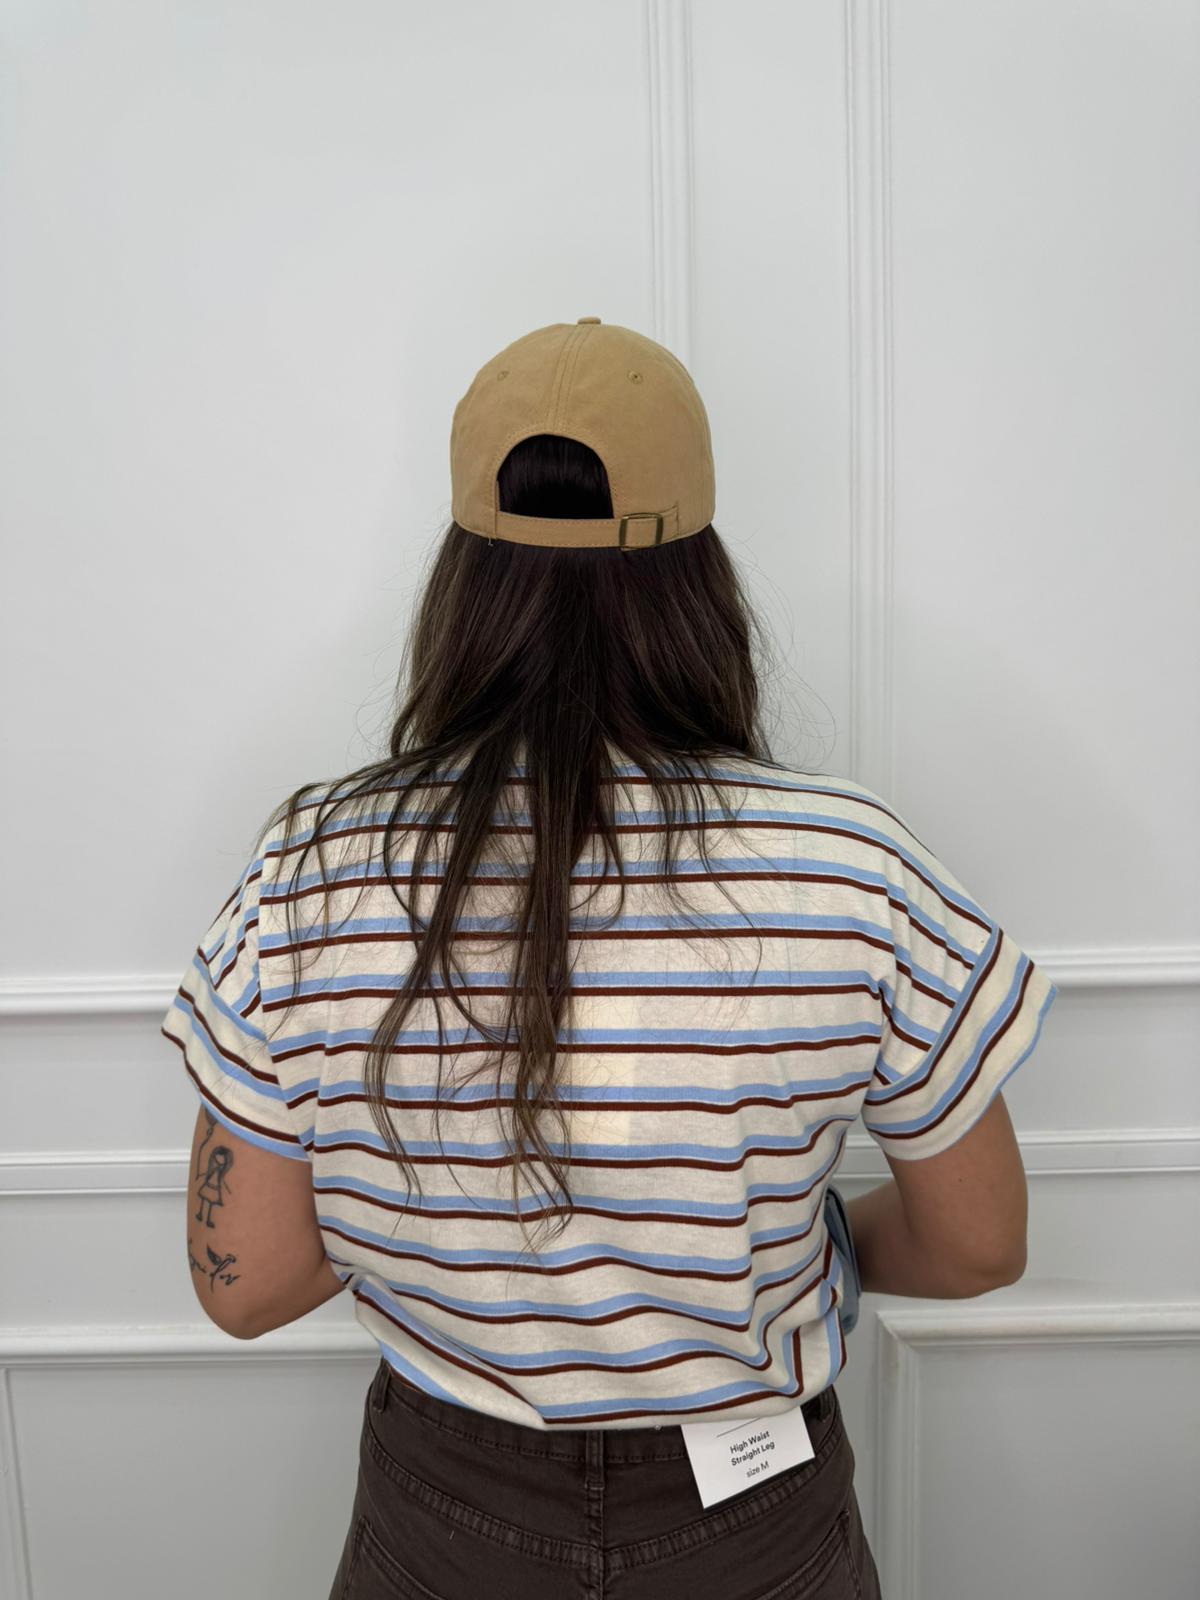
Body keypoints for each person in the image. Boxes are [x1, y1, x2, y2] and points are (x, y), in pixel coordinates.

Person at [163, 318, 1058, 1599]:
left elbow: (243, 1282)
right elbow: (978, 1244)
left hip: (445, 1513)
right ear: (699, 574)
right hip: (753, 1513)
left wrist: (449, 1229)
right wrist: (799, 1251)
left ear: (463, 577)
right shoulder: (854, 864)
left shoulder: (316, 865)